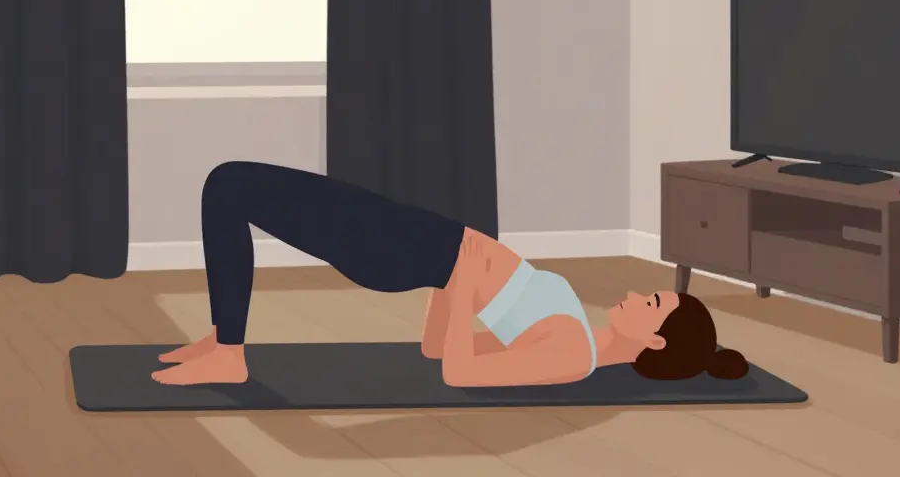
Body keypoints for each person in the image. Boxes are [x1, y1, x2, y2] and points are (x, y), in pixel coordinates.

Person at [152, 161, 749, 386]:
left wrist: (461, 270)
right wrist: (456, 274)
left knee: (228, 185)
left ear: (653, 340)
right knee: (228, 187)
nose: (632, 294)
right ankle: (222, 340)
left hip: (402, 248)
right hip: (418, 243)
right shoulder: (576, 334)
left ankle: (229, 349)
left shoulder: (571, 354)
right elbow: (439, 349)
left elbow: (461, 375)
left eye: (649, 305)